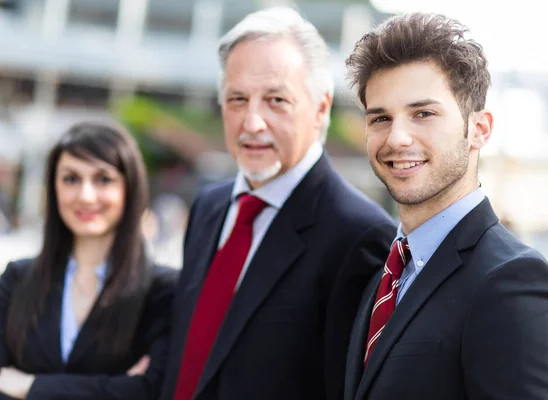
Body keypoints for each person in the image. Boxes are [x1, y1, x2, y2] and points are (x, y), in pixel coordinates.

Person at [160, 7, 396, 400]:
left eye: (276, 100)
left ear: (320, 107)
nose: (252, 122)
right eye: (237, 99)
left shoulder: (360, 236)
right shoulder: (208, 207)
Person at [343, 12, 548, 400]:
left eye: (424, 113)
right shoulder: (386, 274)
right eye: (381, 118)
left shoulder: (510, 279)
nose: (398, 137)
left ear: (479, 129)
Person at [0, 122, 177, 399]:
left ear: (129, 189)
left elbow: (152, 391)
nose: (86, 196)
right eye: (71, 179)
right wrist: (115, 388)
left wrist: (31, 386)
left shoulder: (161, 290)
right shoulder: (18, 279)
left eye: (103, 179)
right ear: (54, 189)